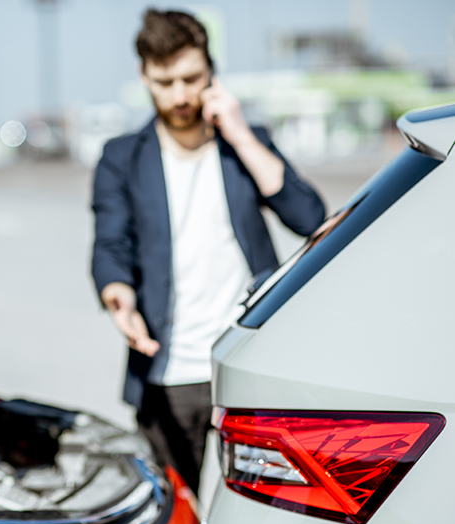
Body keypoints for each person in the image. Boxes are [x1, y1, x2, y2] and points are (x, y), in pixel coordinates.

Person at [91, 9, 326, 497]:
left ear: (212, 73)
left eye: (191, 79)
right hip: (166, 374)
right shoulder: (122, 158)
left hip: (246, 367)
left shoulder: (245, 144)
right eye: (165, 81)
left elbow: (310, 218)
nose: (179, 95)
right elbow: (110, 242)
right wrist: (120, 299)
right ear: (144, 77)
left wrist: (239, 134)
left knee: (259, 517)